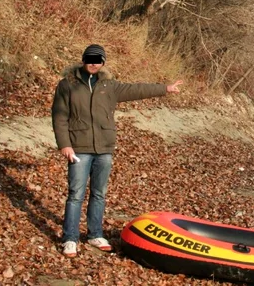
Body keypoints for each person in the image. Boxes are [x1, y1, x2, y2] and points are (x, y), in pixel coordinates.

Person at [51, 44, 182, 257]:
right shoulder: (67, 85)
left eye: (98, 59)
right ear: (83, 60)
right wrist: (65, 144)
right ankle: (70, 238)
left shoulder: (109, 86)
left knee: (99, 194)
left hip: (104, 148)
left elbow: (137, 90)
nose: (93, 63)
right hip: (79, 148)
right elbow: (59, 116)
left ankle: (95, 234)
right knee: (76, 194)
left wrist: (165, 88)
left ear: (103, 62)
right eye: (90, 59)